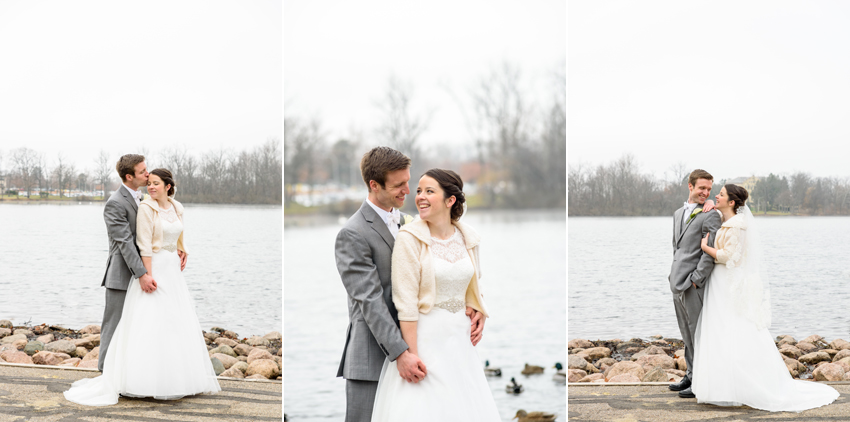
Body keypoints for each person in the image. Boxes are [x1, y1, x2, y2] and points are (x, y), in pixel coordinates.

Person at [335, 147, 485, 422]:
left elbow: (444, 272)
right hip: (374, 355)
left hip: (426, 345)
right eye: (399, 185)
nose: (408, 191)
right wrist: (401, 352)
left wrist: (474, 305)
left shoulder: (411, 223)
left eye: (408, 182)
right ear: (374, 185)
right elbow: (370, 301)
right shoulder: (352, 233)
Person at [65, 168, 220, 406]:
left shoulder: (178, 207)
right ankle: (139, 379)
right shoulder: (147, 208)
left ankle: (176, 378)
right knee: (148, 321)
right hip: (154, 267)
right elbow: (143, 244)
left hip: (173, 271)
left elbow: (179, 233)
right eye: (150, 181)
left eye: (156, 183)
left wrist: (183, 250)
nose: (151, 185)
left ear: (168, 186)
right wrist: (146, 275)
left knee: (174, 321)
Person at [691, 184, 839, 411]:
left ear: (732, 202)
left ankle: (741, 385)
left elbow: (731, 256)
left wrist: (706, 248)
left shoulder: (738, 226)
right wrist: (710, 205)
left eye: (720, 194)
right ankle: (722, 386)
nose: (715, 196)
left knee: (732, 328)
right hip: (719, 283)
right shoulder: (727, 219)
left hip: (727, 283)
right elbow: (712, 209)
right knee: (719, 329)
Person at [370, 168, 500, 421]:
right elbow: (404, 303)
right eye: (418, 191)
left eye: (430, 191)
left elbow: (473, 284)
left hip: (460, 344)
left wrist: (479, 310)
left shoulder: (468, 237)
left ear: (450, 200)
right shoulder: (409, 238)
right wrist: (411, 355)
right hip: (426, 340)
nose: (420, 197)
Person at [96, 154, 155, 372]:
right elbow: (125, 243)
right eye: (142, 172)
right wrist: (142, 274)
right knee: (113, 325)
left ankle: (129, 372)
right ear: (129, 176)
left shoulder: (144, 198)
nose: (147, 174)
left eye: (146, 169)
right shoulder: (115, 203)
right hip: (121, 275)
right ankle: (105, 373)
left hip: (142, 272)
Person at [667, 169, 722, 398]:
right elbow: (676, 247)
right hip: (676, 282)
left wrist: (697, 280)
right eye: (702, 188)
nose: (706, 192)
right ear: (690, 186)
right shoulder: (678, 213)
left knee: (697, 333)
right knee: (685, 333)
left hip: (693, 284)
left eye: (709, 189)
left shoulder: (709, 214)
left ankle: (701, 380)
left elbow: (710, 252)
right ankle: (690, 374)